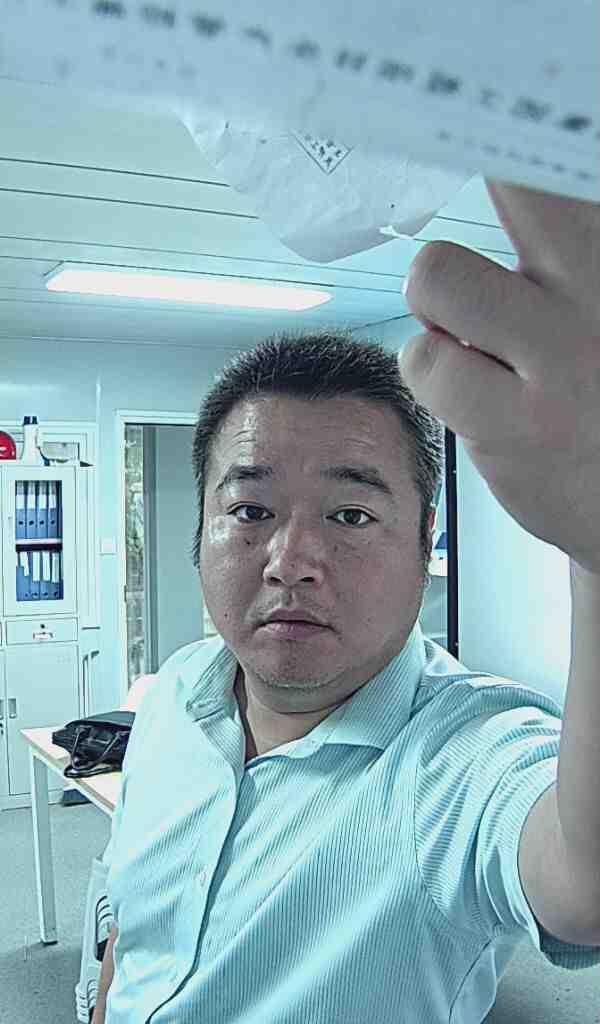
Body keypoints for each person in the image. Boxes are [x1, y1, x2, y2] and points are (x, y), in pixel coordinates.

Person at [92, 180, 600, 1023]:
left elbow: (581, 880)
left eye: (351, 515)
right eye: (250, 511)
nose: (290, 562)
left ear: (424, 541)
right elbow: (133, 930)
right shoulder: (175, 695)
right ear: (200, 528)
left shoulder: (456, 758)